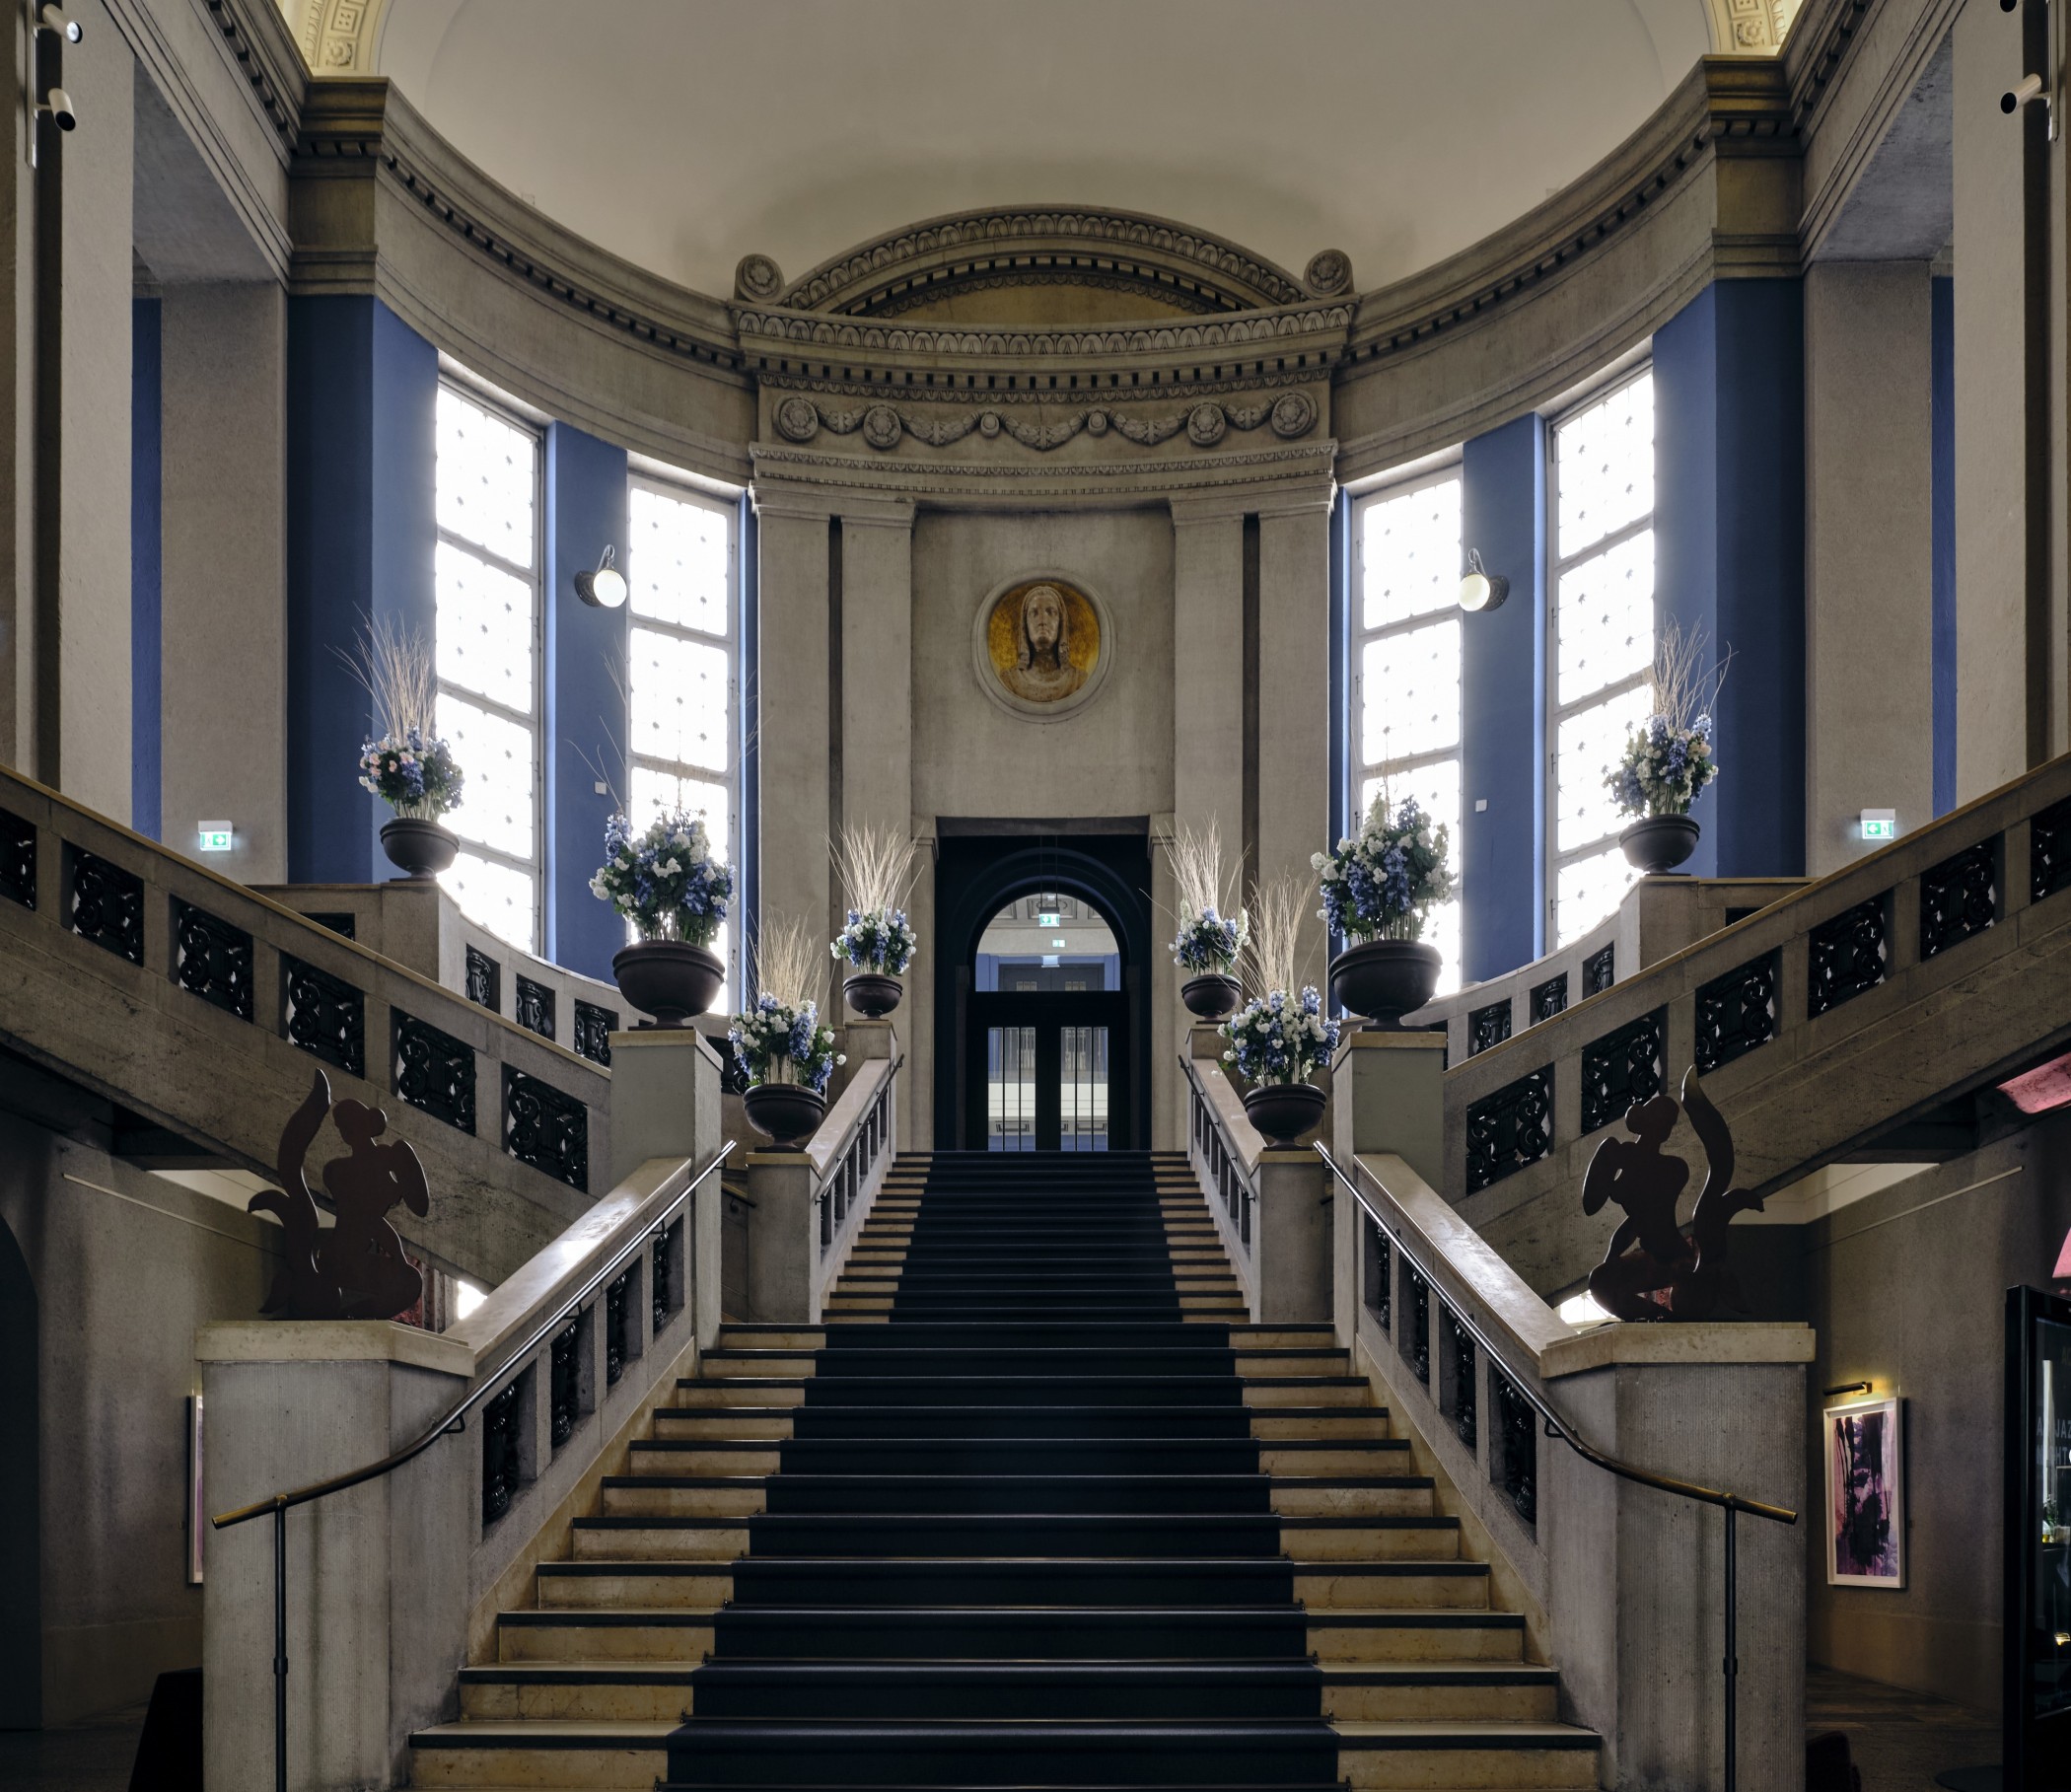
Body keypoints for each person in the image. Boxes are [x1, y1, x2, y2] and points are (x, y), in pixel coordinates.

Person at [1001, 582, 1088, 703]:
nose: (1042, 620)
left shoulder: (1078, 680)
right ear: (1025, 625)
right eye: (1034, 613)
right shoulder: (1009, 680)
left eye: (1051, 612)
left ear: (1061, 624)